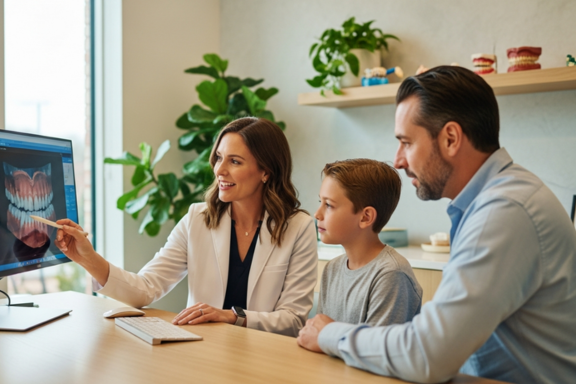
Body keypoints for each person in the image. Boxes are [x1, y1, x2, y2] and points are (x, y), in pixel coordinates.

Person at [297, 66, 576, 383]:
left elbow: (427, 355)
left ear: (451, 138)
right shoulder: (492, 201)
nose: (399, 160)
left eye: (407, 143)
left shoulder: (504, 212)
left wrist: (331, 334)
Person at [56, 117, 318, 337]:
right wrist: (87, 258)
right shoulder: (198, 218)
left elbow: (293, 319)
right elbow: (147, 287)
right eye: (218, 158)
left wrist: (231, 316)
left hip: (265, 358)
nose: (220, 170)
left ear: (266, 171)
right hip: (203, 351)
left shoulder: (299, 227)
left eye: (235, 162)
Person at [315, 159, 422, 326]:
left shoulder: (392, 274)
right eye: (320, 202)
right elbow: (316, 336)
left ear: (365, 217)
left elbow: (376, 349)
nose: (317, 214)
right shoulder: (332, 269)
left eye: (328, 205)